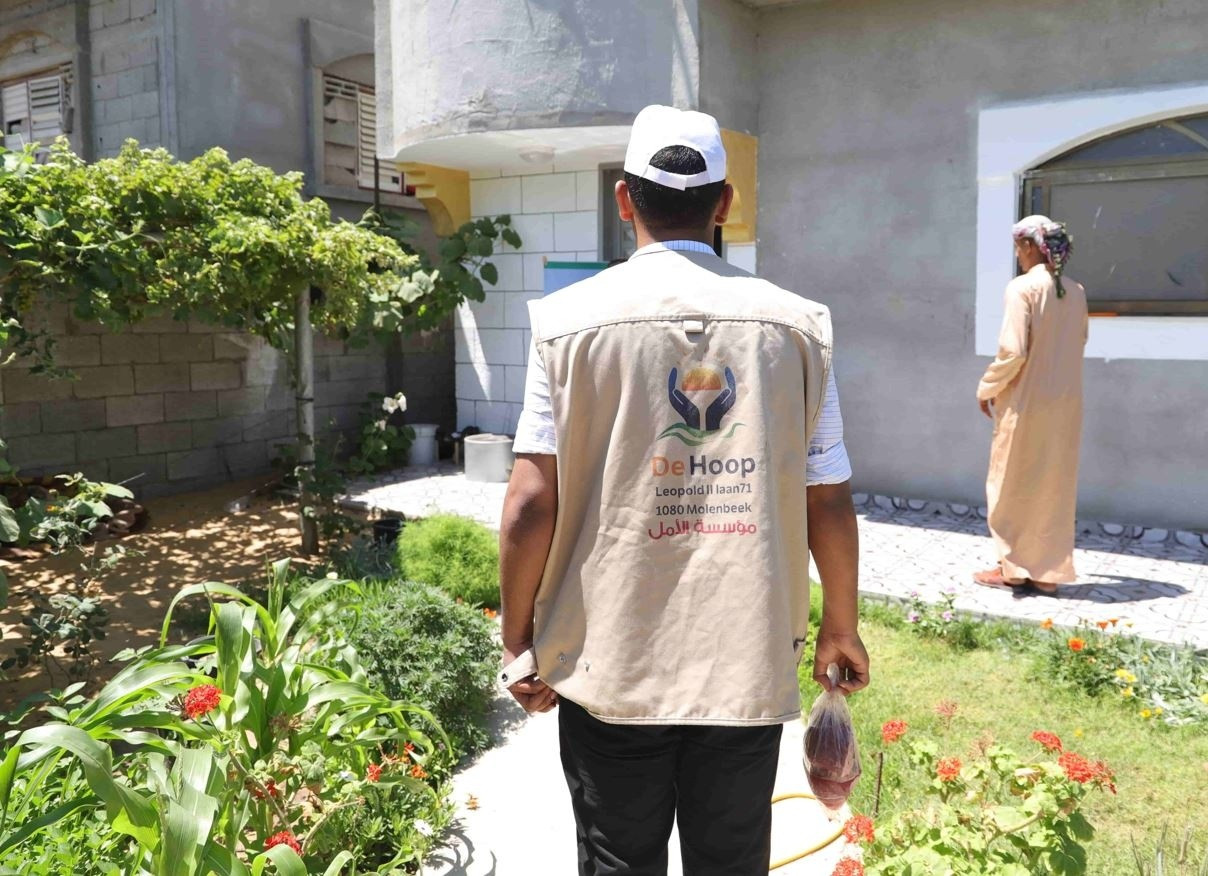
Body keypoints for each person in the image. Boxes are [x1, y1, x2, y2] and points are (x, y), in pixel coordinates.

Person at [497, 104, 868, 876]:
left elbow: (532, 500)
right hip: (746, 658)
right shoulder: (798, 327)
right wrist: (840, 623)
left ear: (623, 200)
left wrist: (517, 638)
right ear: (724, 203)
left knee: (617, 859)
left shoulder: (565, 325)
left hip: (609, 663)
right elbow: (827, 494)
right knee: (730, 859)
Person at [974, 215, 1088, 596]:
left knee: (1010, 483)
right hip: (1065, 406)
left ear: (1028, 246)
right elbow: (1079, 342)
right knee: (1053, 485)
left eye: (1018, 248)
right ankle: (1046, 573)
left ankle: (1012, 569)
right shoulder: (1076, 292)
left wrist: (988, 386)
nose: (1017, 256)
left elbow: (1013, 351)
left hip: (1025, 404)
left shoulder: (1022, 288)